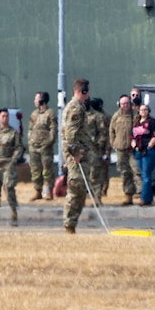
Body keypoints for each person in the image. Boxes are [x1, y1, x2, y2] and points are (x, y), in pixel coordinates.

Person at [62, 78, 94, 234]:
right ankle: (69, 225)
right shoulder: (76, 108)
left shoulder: (79, 106)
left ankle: (72, 224)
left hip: (81, 154)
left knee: (81, 190)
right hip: (76, 156)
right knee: (75, 189)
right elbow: (70, 134)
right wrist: (75, 153)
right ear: (83, 91)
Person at [109, 95, 140, 206]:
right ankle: (128, 195)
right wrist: (113, 143)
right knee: (125, 173)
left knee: (137, 170)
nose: (125, 106)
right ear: (119, 104)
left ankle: (142, 193)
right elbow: (111, 131)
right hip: (120, 149)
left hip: (132, 150)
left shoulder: (135, 116)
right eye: (123, 104)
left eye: (127, 103)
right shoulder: (116, 116)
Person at [28, 91, 57, 201]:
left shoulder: (50, 113)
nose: (35, 101)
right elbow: (30, 129)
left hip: (45, 148)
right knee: (35, 170)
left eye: (36, 98)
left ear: (42, 100)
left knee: (47, 170)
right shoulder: (34, 114)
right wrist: (30, 141)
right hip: (33, 147)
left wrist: (47, 143)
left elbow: (53, 130)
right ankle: (37, 191)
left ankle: (49, 191)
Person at [131, 102, 155, 207]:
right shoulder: (136, 123)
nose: (143, 111)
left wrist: (151, 144)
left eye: (145, 109)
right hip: (138, 151)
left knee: (146, 175)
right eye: (141, 109)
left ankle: (143, 198)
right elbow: (132, 136)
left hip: (148, 151)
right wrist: (133, 144)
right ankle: (149, 198)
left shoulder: (152, 122)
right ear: (138, 111)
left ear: (148, 111)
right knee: (143, 174)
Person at [87, 97, 110, 201]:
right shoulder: (82, 116)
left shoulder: (99, 117)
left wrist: (101, 146)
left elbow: (104, 133)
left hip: (95, 149)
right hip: (84, 149)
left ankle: (97, 196)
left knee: (96, 173)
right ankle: (89, 194)